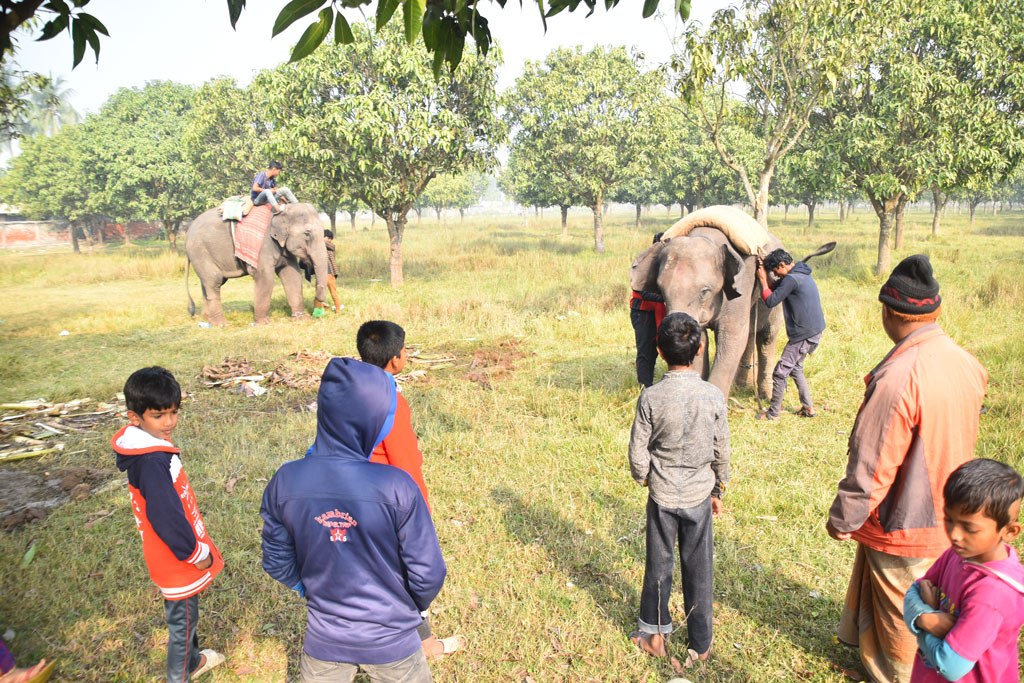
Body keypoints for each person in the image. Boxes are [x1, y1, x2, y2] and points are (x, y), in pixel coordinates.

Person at [826, 254, 988, 683]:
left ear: (888, 313)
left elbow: (874, 462)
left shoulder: (899, 375)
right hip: (949, 506)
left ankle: (901, 674)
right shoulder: (966, 361)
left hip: (906, 518)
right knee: (910, 589)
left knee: (904, 606)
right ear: (934, 311)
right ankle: (866, 653)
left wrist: (845, 516)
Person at [260, 357, 446, 683]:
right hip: (395, 641)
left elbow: (277, 561)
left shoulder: (285, 481)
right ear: (374, 419)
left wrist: (312, 589)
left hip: (324, 636)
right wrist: (405, 605)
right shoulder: (398, 486)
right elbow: (429, 572)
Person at [356, 320, 464, 660]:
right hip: (390, 504)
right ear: (396, 361)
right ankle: (422, 643)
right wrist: (421, 512)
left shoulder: (346, 391)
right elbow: (405, 466)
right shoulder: (392, 402)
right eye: (404, 350)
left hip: (353, 496)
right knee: (410, 572)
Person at [627, 312, 730, 667]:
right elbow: (722, 448)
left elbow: (638, 451)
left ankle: (654, 636)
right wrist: (719, 488)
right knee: (699, 567)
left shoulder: (651, 398)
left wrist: (644, 476)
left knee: (659, 564)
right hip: (699, 495)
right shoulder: (714, 396)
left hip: (662, 495)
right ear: (700, 349)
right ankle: (700, 644)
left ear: (658, 349)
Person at [112, 367, 225, 682]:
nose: (170, 422)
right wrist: (194, 553)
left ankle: (193, 661)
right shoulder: (151, 463)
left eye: (174, 412)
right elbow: (165, 518)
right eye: (159, 416)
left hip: (173, 555)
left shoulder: (149, 450)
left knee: (187, 616)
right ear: (135, 418)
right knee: (183, 623)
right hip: (176, 558)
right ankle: (180, 676)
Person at [903, 458, 1024, 682]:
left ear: (1009, 531)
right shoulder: (959, 555)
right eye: (949, 520)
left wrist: (923, 622)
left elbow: (950, 665)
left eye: (969, 528)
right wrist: (925, 618)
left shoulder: (993, 593)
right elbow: (913, 592)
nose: (955, 535)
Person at [754, 248, 826, 420]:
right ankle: (808, 408)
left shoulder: (792, 279)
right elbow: (776, 287)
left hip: (804, 334)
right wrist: (765, 271)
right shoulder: (800, 273)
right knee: (795, 368)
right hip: (812, 331)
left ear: (782, 265)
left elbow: (771, 300)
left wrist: (763, 280)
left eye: (776, 271)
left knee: (780, 372)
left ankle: (773, 414)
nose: (776, 276)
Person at [629, 232, 667, 387]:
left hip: (661, 311)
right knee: (646, 348)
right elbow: (642, 290)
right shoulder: (647, 261)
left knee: (665, 346)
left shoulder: (668, 262)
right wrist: (667, 297)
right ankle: (645, 385)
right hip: (644, 312)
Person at [313, 230, 343, 315]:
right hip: (320, 273)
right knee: (318, 292)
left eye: (324, 236)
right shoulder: (319, 246)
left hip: (329, 273)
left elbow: (323, 243)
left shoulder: (330, 245)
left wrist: (317, 238)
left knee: (333, 292)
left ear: (329, 239)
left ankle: (338, 310)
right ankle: (317, 310)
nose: (322, 238)